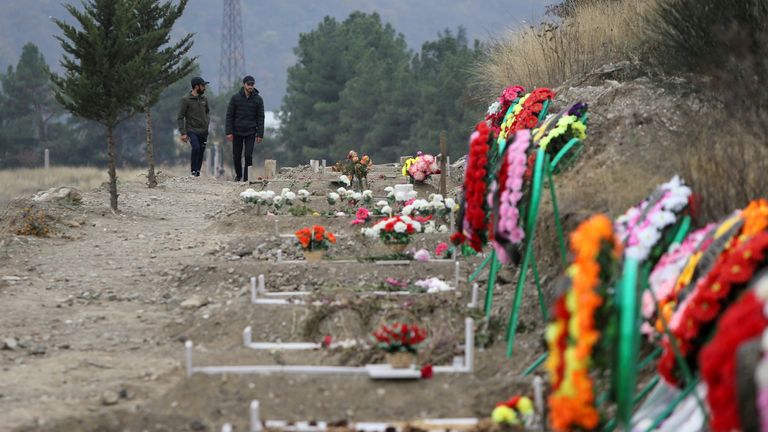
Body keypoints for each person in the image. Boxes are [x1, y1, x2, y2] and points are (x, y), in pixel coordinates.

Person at [226, 75, 265, 182]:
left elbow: (261, 118)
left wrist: (260, 134)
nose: (250, 86)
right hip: (237, 131)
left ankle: (247, 178)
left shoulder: (258, 99)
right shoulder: (235, 98)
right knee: (236, 156)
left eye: (252, 84)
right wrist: (229, 132)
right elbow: (229, 115)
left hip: (251, 132)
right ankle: (238, 175)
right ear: (244, 85)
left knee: (248, 155)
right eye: (248, 84)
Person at [177, 76, 210, 177]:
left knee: (201, 150)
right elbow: (180, 117)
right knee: (195, 148)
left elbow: (207, 112)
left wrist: (207, 122)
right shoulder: (186, 99)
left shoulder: (204, 99)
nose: (204, 88)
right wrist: (183, 133)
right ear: (196, 87)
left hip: (203, 130)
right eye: (203, 85)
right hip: (192, 130)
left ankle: (197, 172)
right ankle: (193, 170)